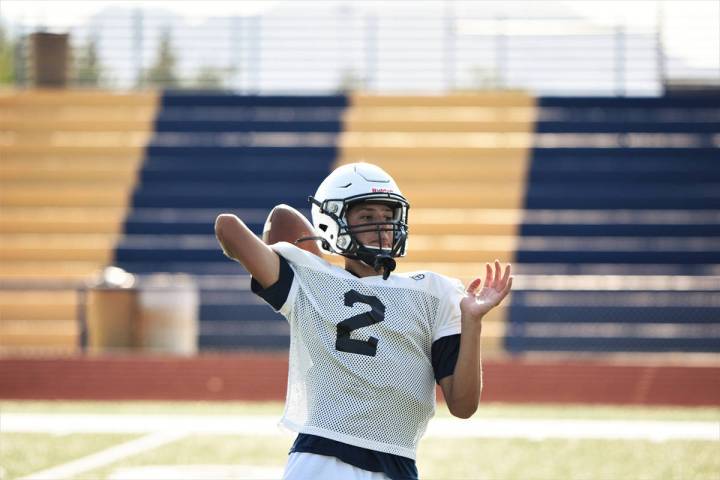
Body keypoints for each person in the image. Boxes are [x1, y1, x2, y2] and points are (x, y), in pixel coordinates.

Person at [215, 162, 512, 480]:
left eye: (388, 216)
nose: (382, 227)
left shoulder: (435, 292)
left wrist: (473, 322)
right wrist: (279, 255)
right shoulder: (310, 280)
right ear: (333, 223)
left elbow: (463, 406)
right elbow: (227, 225)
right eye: (367, 217)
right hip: (323, 457)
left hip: (397, 463)